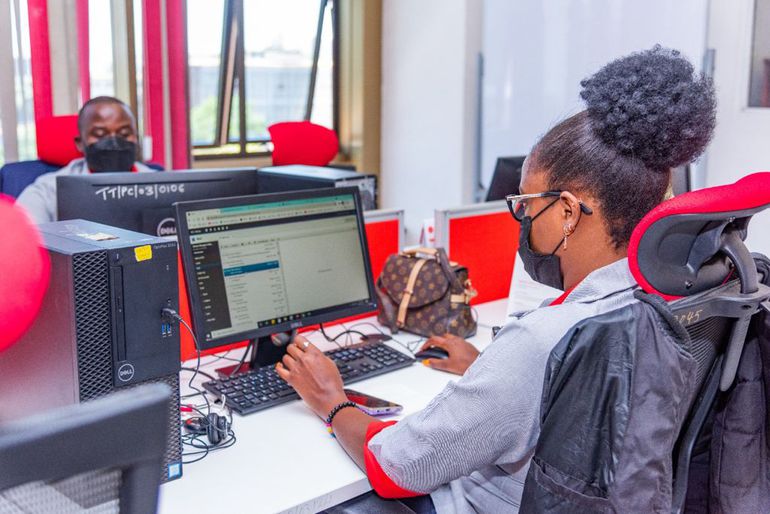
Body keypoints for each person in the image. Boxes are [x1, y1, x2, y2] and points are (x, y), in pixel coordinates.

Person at [277, 46, 717, 514]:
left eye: (527, 205)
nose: (522, 220)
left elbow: (397, 469)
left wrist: (333, 401)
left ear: (568, 211)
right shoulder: (671, 296)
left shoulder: (543, 339)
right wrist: (488, 370)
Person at [16, 96, 153, 224]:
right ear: (80, 143)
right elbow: (22, 239)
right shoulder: (48, 190)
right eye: (100, 134)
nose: (113, 142)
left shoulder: (159, 183)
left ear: (136, 137)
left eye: (124, 134)